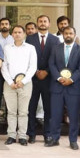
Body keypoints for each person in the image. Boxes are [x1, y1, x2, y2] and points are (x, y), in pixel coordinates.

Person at [47, 26, 80, 150]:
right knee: (55, 115)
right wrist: (59, 78)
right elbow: (51, 64)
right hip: (57, 86)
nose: (68, 35)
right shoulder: (55, 48)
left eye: (71, 33)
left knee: (74, 116)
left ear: (74, 35)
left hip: (74, 87)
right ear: (63, 34)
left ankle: (73, 140)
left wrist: (71, 79)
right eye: (66, 33)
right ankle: (54, 138)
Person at [25, 15, 60, 144]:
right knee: (31, 107)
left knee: (48, 108)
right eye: (40, 21)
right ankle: (31, 134)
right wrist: (35, 71)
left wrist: (47, 72)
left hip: (48, 79)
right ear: (37, 23)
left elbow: (57, 60)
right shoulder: (29, 38)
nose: (43, 23)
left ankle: (48, 134)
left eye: (45, 21)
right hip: (33, 78)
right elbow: (27, 58)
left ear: (49, 24)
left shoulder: (55, 40)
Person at [1, 26, 37, 146]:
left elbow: (33, 67)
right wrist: (10, 82)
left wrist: (24, 81)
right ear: (12, 34)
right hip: (9, 84)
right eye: (15, 32)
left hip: (25, 84)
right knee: (11, 111)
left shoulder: (30, 48)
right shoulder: (7, 48)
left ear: (24, 34)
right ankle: (11, 135)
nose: (17, 34)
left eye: (19, 32)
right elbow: (3, 66)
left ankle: (22, 136)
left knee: (23, 112)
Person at [0, 18, 14, 122]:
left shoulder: (14, 39)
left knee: (10, 94)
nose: (4, 26)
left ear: (10, 26)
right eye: (2, 24)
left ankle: (8, 116)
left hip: (12, 72)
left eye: (6, 24)